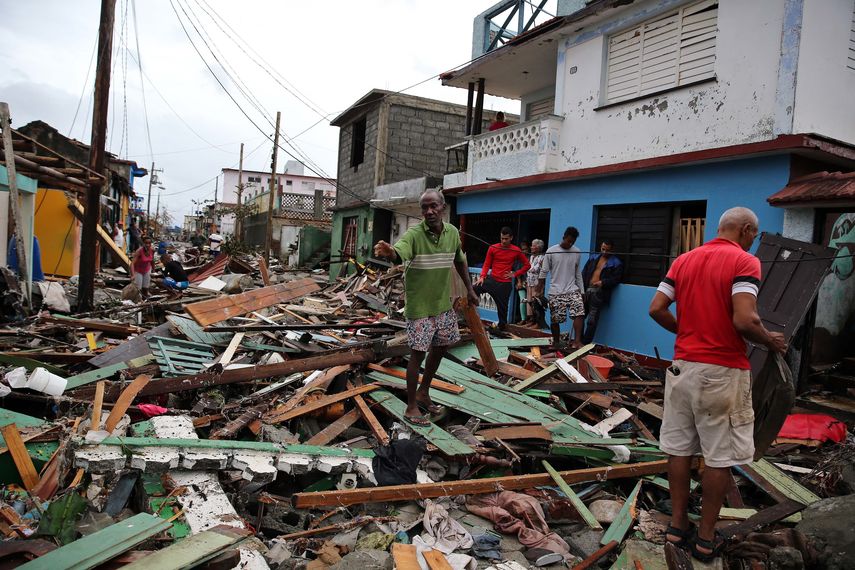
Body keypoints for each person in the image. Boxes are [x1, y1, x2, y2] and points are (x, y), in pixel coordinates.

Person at [648, 207, 787, 563]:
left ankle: (677, 527)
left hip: (682, 368)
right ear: (744, 229)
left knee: (679, 450)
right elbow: (745, 318)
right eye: (753, 235)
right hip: (722, 371)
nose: (752, 241)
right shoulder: (745, 262)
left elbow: (657, 308)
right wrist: (769, 341)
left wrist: (688, 332)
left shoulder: (684, 260)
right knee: (719, 457)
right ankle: (706, 538)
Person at [373, 190, 478, 426]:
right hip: (420, 306)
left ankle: (424, 391)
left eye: (433, 206)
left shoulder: (451, 233)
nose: (429, 212)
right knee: (418, 354)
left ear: (442, 207)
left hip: (442, 304)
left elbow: (459, 260)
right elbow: (399, 253)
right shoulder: (414, 234)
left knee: (442, 346)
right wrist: (391, 252)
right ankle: (411, 407)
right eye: (424, 208)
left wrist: (470, 290)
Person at [473, 227, 530, 330]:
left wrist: (515, 273)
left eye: (506, 239)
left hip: (505, 284)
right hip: (492, 280)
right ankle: (471, 315)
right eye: (502, 238)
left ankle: (501, 329)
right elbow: (486, 263)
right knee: (474, 288)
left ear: (511, 238)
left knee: (502, 310)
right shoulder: (493, 248)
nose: (503, 241)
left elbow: (527, 265)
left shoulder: (516, 250)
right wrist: (482, 276)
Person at [538, 227, 585, 349]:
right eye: (568, 241)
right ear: (564, 237)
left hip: (572, 289)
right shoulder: (552, 251)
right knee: (556, 319)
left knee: (580, 313)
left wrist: (582, 290)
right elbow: (544, 271)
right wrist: (539, 290)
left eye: (572, 242)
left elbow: (577, 273)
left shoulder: (577, 252)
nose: (570, 244)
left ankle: (577, 341)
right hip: (556, 291)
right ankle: (556, 342)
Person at [581, 239, 623, 343]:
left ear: (612, 250)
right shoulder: (593, 257)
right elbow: (583, 273)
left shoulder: (616, 263)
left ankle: (585, 344)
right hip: (586, 290)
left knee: (592, 320)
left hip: (599, 293)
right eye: (603, 249)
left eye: (607, 250)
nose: (604, 252)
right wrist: (581, 289)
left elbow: (616, 279)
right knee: (580, 316)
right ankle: (578, 341)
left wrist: (603, 282)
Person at [524, 239, 546, 327]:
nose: (531, 247)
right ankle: (530, 321)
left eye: (533, 246)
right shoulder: (532, 257)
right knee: (529, 301)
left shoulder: (543, 258)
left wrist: (541, 286)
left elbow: (543, 272)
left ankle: (537, 323)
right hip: (529, 282)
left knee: (536, 302)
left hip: (537, 283)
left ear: (538, 247)